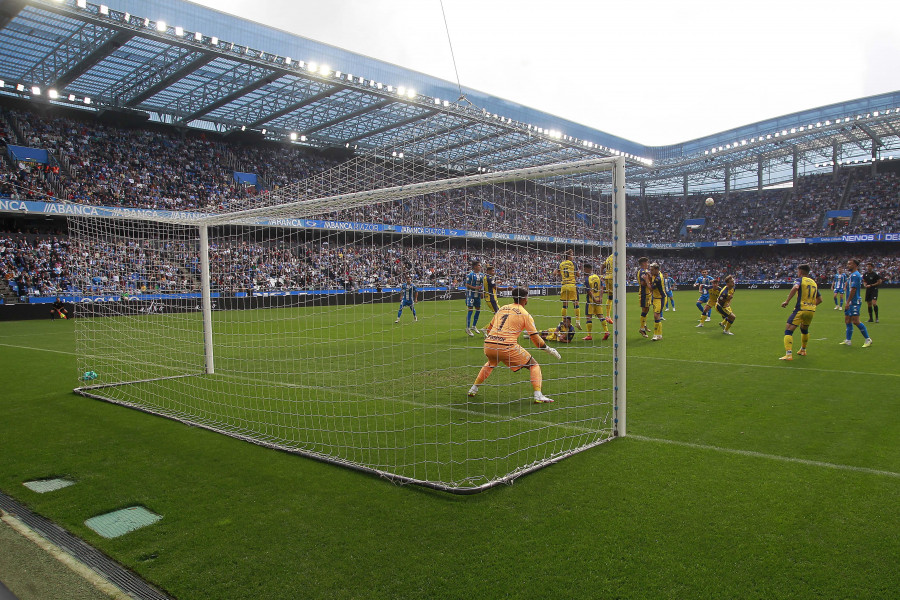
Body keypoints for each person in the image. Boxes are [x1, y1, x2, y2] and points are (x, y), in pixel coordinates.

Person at [467, 286, 561, 404]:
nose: (527, 300)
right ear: (524, 299)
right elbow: (536, 339)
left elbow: (489, 328)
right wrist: (548, 349)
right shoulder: (525, 314)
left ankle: (473, 388)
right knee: (534, 365)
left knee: (491, 363)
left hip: (489, 344)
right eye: (527, 297)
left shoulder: (502, 309)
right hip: (506, 346)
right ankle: (538, 395)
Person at [779, 264, 822, 361]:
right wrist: (811, 306)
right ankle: (803, 350)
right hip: (811, 310)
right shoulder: (814, 283)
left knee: (788, 330)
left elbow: (795, 288)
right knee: (804, 330)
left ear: (801, 272)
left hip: (801, 309)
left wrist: (787, 301)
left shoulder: (800, 280)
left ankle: (788, 354)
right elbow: (820, 299)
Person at [840, 259, 872, 347]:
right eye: (847, 264)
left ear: (855, 265)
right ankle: (848, 340)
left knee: (856, 321)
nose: (848, 265)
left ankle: (868, 339)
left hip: (854, 302)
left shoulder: (856, 275)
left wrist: (847, 302)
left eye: (850, 264)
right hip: (850, 302)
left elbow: (853, 289)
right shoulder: (851, 275)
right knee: (847, 320)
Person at [555, 249, 581, 330]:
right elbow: (578, 275)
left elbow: (555, 273)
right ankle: (577, 321)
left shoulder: (561, 264)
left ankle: (563, 321)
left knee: (565, 305)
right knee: (576, 303)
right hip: (572, 285)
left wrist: (562, 273)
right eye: (572, 255)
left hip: (564, 286)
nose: (573, 256)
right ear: (569, 256)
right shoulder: (573, 263)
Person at [582, 263, 608, 341]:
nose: (583, 271)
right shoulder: (597, 277)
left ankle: (589, 335)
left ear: (587, 269)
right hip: (598, 301)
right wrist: (600, 298)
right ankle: (606, 331)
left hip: (591, 301)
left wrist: (594, 300)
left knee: (588, 317)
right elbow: (602, 287)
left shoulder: (587, 279)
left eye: (584, 269)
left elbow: (589, 291)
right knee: (600, 316)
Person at [464, 260, 484, 336]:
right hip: (471, 295)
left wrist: (481, 292)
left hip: (478, 295)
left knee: (478, 310)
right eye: (479, 265)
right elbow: (466, 284)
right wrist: (475, 287)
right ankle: (467, 328)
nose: (480, 267)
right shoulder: (470, 275)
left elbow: (482, 284)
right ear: (475, 266)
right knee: (470, 310)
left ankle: (474, 326)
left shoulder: (481, 275)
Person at [648, 263, 665, 341]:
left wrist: (646, 280)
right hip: (655, 298)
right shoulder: (657, 274)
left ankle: (655, 334)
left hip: (660, 299)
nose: (650, 271)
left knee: (656, 315)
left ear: (656, 269)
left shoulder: (658, 278)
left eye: (652, 270)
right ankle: (659, 335)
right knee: (657, 316)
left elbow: (651, 288)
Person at [636, 256, 651, 337]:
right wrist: (648, 282)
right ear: (643, 263)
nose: (648, 264)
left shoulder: (645, 271)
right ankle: (641, 329)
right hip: (644, 294)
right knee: (644, 310)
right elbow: (643, 283)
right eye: (647, 262)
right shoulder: (642, 271)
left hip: (647, 294)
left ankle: (644, 325)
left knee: (647, 309)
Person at [600, 252, 614, 322]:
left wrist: (601, 275)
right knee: (618, 296)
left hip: (607, 277)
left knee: (610, 297)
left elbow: (602, 266)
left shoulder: (609, 258)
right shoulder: (617, 257)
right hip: (613, 277)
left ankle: (608, 316)